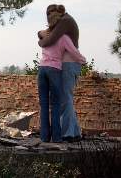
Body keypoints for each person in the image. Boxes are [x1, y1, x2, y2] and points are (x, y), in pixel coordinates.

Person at [37, 8, 86, 143]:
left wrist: (40, 37)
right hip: (57, 68)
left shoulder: (61, 26)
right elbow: (73, 50)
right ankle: (63, 135)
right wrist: (83, 60)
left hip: (47, 68)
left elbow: (45, 41)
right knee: (60, 102)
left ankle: (50, 136)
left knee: (48, 104)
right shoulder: (61, 35)